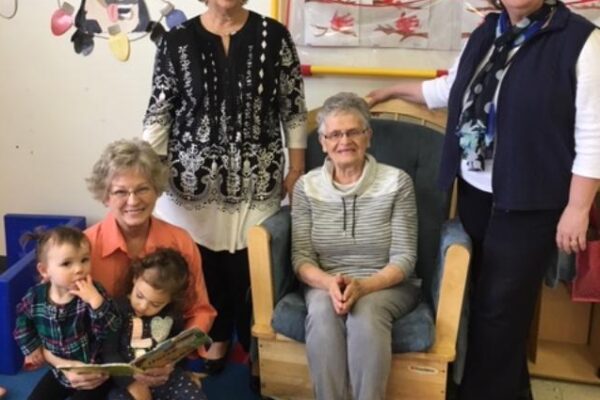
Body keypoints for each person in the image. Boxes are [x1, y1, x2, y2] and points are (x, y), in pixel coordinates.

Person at [368, 1, 600, 399]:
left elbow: (593, 136)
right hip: (476, 192)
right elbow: (448, 89)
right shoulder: (487, 32)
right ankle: (506, 389)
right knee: (476, 298)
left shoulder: (581, 39)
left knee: (501, 310)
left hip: (532, 200)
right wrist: (388, 90)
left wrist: (577, 209)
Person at [142, 0, 307, 373]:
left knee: (248, 269)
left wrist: (297, 169)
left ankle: (253, 342)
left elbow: (293, 109)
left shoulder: (274, 36)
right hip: (191, 185)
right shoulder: (177, 41)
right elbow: (159, 113)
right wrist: (142, 175)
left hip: (257, 180)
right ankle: (214, 339)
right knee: (205, 267)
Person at [291, 92, 420, 400]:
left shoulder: (397, 182)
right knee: (322, 310)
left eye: (352, 132)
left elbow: (405, 258)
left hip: (386, 283)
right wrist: (329, 283)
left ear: (368, 136)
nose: (343, 141)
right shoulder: (306, 187)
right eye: (334, 134)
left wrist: (363, 286)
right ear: (322, 142)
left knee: (366, 312)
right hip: (326, 282)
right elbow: (301, 257)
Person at [80, 138, 216, 390]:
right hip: (102, 363)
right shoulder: (84, 247)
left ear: (156, 190)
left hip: (162, 365)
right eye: (120, 191)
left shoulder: (180, 242)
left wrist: (170, 360)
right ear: (105, 196)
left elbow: (200, 311)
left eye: (142, 189)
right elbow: (60, 316)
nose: (133, 201)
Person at [13, 226, 121, 400]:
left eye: (84, 260)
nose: (79, 269)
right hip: (59, 372)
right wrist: (30, 347)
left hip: (94, 374)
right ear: (44, 271)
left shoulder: (95, 292)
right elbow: (22, 322)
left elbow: (113, 328)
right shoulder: (35, 296)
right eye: (67, 263)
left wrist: (96, 303)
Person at [103, 248, 207, 400]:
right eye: (139, 296)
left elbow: (176, 347)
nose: (143, 306)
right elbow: (109, 353)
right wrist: (133, 384)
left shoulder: (173, 315)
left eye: (156, 304)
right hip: (128, 382)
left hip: (166, 379)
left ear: (170, 300)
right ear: (135, 278)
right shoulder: (116, 310)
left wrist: (174, 366)